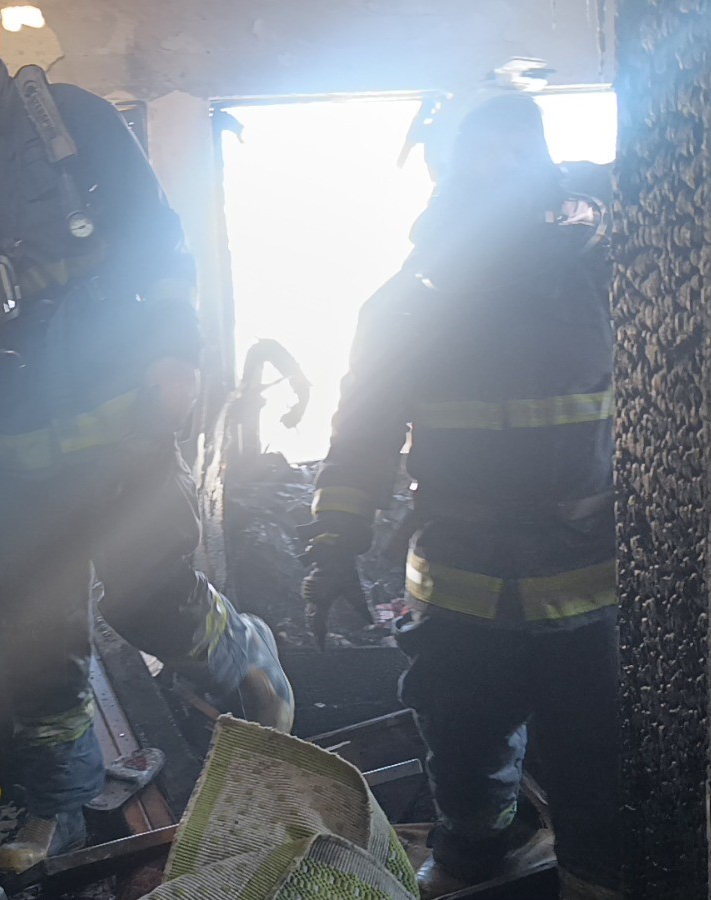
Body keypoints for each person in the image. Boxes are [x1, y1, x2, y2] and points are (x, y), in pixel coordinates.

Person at [0, 0, 294, 873]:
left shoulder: (77, 125)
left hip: (119, 420)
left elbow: (160, 243)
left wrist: (177, 352)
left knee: (149, 602)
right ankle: (58, 807)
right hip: (6, 446)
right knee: (36, 634)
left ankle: (243, 652)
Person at [299, 95, 621, 899]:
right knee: (463, 746)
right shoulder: (406, 304)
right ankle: (477, 855)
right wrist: (333, 547)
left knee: (595, 762)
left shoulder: (611, 280)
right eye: (478, 162)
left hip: (589, 593)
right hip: (460, 590)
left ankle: (595, 875)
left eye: (514, 160)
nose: (494, 179)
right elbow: (361, 438)